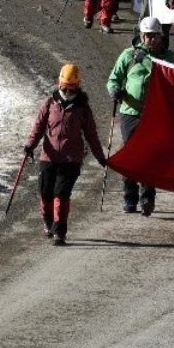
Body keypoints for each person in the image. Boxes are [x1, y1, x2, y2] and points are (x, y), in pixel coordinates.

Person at [24, 64, 107, 246]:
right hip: (48, 157)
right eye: (64, 87)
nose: (68, 91)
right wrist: (30, 144)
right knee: (45, 194)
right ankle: (48, 223)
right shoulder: (49, 103)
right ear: (59, 84)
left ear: (78, 86)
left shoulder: (82, 108)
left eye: (72, 88)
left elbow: (91, 135)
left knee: (60, 195)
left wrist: (100, 156)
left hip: (71, 160)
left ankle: (59, 232)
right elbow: (38, 126)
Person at [107, 17, 174, 216]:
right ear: (141, 36)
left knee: (151, 155)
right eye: (148, 36)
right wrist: (115, 90)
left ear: (160, 36)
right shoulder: (129, 55)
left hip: (155, 114)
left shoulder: (167, 57)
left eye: (155, 36)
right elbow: (114, 78)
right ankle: (130, 196)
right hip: (131, 113)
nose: (151, 40)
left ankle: (148, 196)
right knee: (131, 154)